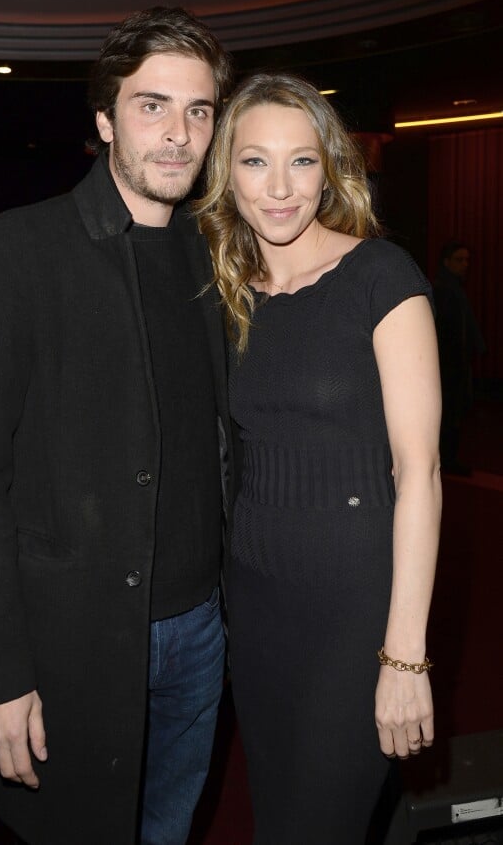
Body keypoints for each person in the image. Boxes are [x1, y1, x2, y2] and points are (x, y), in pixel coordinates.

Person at [0, 7, 234, 845]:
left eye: (199, 110)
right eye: (152, 106)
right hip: (73, 640)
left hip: (201, 634)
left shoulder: (214, 258)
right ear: (104, 119)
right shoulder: (18, 251)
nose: (178, 133)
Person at [195, 72, 442, 844]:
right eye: (255, 162)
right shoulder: (228, 288)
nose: (279, 188)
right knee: (277, 817)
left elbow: (420, 472)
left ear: (331, 167)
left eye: (301, 162)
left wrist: (404, 656)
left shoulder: (381, 277)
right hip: (257, 605)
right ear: (225, 172)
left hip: (357, 605)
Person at [433, 240, 486, 474]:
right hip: (447, 366)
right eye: (459, 259)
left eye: (467, 260)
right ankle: (447, 461)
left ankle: (449, 459)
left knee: (454, 413)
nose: (465, 264)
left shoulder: (453, 288)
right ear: (447, 262)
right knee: (448, 414)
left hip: (454, 364)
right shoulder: (443, 289)